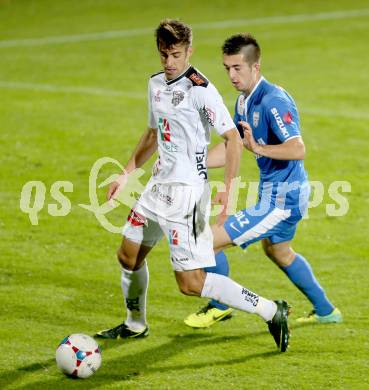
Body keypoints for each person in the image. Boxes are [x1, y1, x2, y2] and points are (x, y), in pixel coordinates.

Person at [95, 20, 290, 352]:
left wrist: (228, 189)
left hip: (187, 195)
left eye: (176, 54)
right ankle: (134, 325)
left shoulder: (201, 90)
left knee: (190, 284)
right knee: (128, 256)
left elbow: (231, 139)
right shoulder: (155, 84)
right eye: (164, 54)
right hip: (157, 187)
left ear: (189, 51)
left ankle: (271, 310)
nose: (169, 62)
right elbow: (153, 133)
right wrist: (127, 172)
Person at [184, 33, 342, 329]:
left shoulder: (272, 101)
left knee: (206, 242)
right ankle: (326, 310)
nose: (231, 75)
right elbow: (233, 145)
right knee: (278, 251)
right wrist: (194, 161)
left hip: (283, 200)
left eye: (237, 68)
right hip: (276, 195)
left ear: (255, 67)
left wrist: (259, 148)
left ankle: (220, 305)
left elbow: (298, 148)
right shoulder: (244, 101)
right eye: (227, 68)